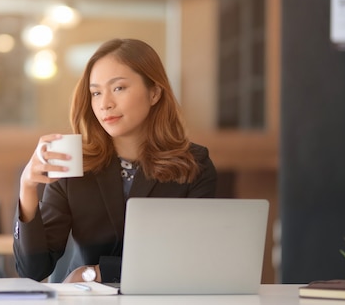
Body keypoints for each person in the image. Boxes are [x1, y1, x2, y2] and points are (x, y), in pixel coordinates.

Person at [13, 38, 217, 283]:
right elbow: (33, 270)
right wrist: (27, 188)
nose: (105, 104)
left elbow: (192, 258)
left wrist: (98, 272)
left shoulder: (194, 164)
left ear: (154, 92)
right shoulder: (75, 164)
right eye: (96, 93)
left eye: (118, 88)